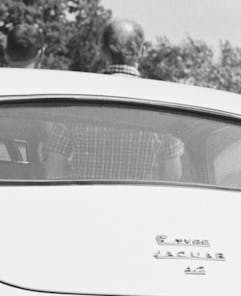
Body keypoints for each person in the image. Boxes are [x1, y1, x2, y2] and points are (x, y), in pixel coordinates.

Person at [43, 16, 183, 181]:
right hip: (143, 205)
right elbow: (173, 176)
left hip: (84, 205)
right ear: (142, 52)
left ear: (102, 51)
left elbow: (53, 172)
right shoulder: (164, 107)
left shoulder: (76, 101)